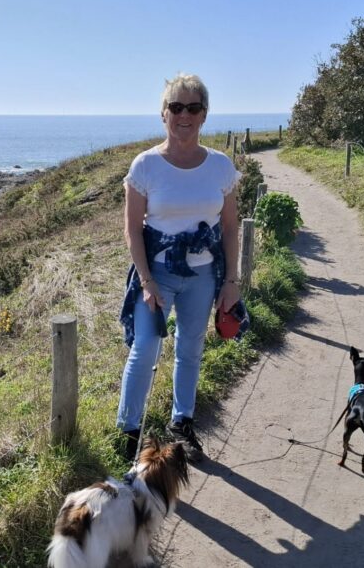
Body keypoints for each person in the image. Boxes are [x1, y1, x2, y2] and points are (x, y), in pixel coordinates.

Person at [116, 73, 244, 463]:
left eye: (193, 107)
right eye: (176, 107)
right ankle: (129, 432)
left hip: (204, 275)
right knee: (145, 349)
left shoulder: (220, 166)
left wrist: (231, 281)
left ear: (204, 114)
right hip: (157, 273)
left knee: (190, 349)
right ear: (163, 113)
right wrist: (146, 281)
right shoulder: (145, 166)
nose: (184, 115)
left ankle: (181, 424)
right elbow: (132, 229)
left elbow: (230, 227)